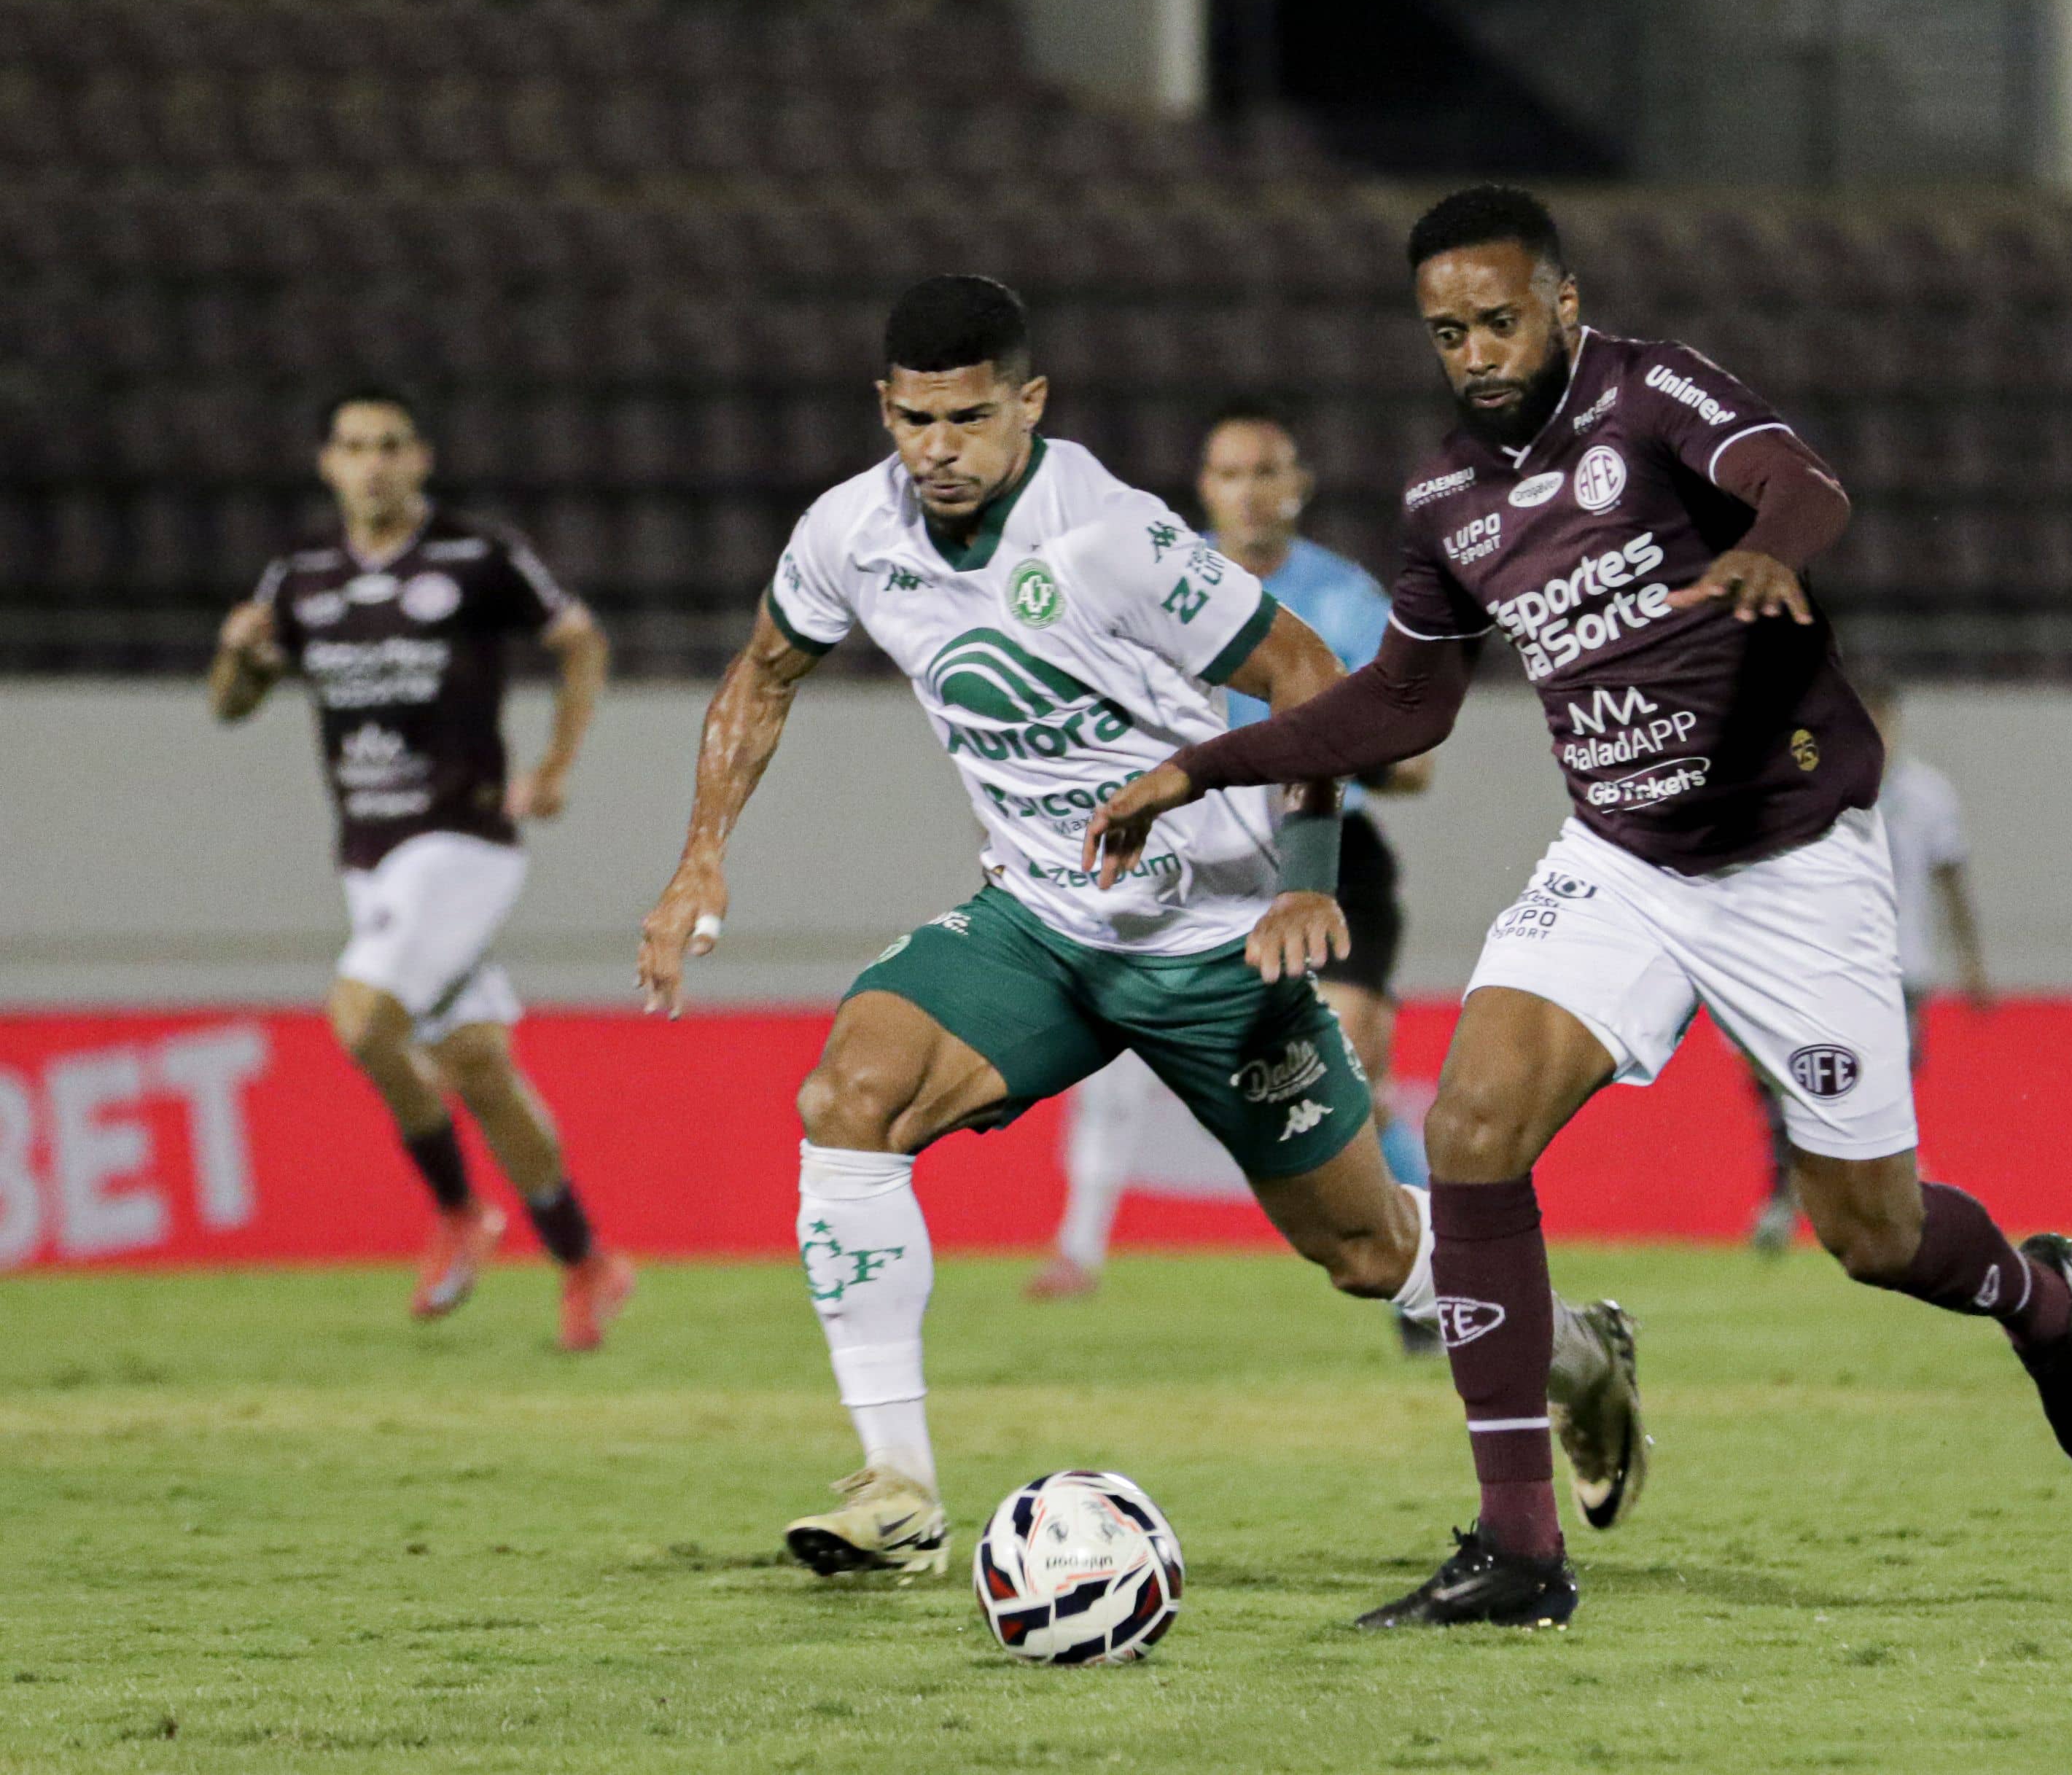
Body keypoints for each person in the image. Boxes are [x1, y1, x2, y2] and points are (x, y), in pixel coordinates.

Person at [1088, 187, 2072, 1630]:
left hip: (1789, 860)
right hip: (1621, 863)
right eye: (1447, 330)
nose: (1476, 351)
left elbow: (1799, 480)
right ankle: (1519, 1552)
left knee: (1870, 1233)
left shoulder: (1648, 395)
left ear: (1561, 303)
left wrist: (1773, 545)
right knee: (1466, 1130)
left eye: (1499, 318)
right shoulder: (1447, 502)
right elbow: (1398, 702)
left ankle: (2038, 1300)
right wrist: (1199, 764)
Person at [634, 276, 1640, 1582]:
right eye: (915, 419)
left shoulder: (1105, 535)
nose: (939, 449)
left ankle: (1576, 1350)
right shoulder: (847, 534)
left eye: (970, 418)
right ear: (884, 408)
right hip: (1040, 919)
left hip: (1212, 940)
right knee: (849, 1096)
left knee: (1364, 1250)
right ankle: (898, 1489)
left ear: (1029, 405)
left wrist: (1307, 872)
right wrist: (697, 852)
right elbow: (764, 669)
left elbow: (1301, 675)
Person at [209, 387, 631, 1349]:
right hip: (366, 849)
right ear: (328, 462)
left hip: (461, 839)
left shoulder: (476, 555)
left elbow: (580, 641)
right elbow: (233, 702)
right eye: (354, 445)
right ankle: (587, 1259)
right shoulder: (301, 575)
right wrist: (237, 656)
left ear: (421, 458)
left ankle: (455, 1210)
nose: (373, 463)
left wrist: (556, 765)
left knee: (360, 1017)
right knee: (478, 1065)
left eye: (391, 445)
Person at [1027, 400, 1444, 1356]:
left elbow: (1415, 762)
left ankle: (1434, 1274)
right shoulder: (1164, 593)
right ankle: (1080, 1244)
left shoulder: (1343, 600)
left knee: (1355, 1070)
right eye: (1229, 474)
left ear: (1297, 485)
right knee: (1117, 1037)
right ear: (1203, 491)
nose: (1249, 493)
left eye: (1267, 472)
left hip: (1328, 843)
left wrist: (1322, 737)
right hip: (1198, 852)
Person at [1749, 672, 1991, 1254]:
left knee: (1882, 1082)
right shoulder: (1812, 786)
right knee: (1797, 1080)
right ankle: (1789, 1199)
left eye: (1883, 715)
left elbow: (1951, 878)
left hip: (1902, 967)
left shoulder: (1928, 794)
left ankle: (1889, 1194)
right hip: (1823, 964)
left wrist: (1971, 961)